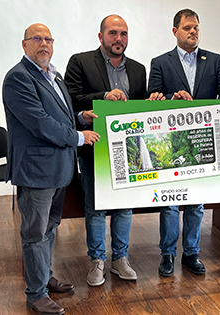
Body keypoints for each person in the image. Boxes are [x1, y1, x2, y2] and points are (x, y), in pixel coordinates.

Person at [2, 23, 100, 315]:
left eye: (48, 39)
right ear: (24, 45)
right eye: (37, 39)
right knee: (34, 233)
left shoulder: (53, 74)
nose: (43, 44)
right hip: (36, 170)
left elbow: (62, 114)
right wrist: (79, 137)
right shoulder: (18, 78)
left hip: (58, 168)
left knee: (49, 228)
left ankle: (44, 276)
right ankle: (35, 293)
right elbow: (40, 122)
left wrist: (81, 116)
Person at [148, 8, 220, 277]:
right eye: (187, 28)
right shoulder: (160, 62)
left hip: (203, 142)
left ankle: (192, 253)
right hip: (172, 143)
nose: (193, 31)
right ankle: (168, 254)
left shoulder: (216, 60)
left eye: (196, 27)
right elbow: (153, 96)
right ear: (175, 31)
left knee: (196, 202)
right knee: (170, 203)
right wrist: (171, 98)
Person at [64, 15, 147, 286]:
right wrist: (102, 97)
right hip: (95, 148)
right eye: (113, 33)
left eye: (123, 33)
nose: (118, 39)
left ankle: (120, 259)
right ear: (101, 36)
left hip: (128, 151)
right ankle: (97, 260)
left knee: (124, 207)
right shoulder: (80, 61)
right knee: (96, 207)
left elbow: (141, 109)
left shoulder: (137, 69)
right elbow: (70, 97)